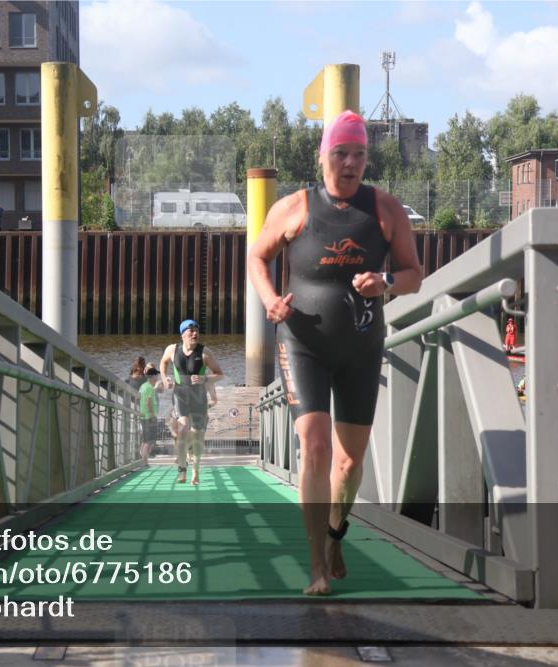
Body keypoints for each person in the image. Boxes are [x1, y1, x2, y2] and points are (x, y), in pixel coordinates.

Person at [247, 110, 423, 595]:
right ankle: (316, 565)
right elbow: (257, 256)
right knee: (317, 448)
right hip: (303, 344)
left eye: (359, 154)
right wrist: (268, 300)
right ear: (324, 155)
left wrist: (385, 282)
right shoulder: (293, 208)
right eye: (341, 152)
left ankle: (336, 534)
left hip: (361, 349)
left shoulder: (386, 210)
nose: (350, 163)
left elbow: (414, 274)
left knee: (349, 464)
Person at [159, 319, 223, 485]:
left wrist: (205, 377)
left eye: (197, 331)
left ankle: (195, 470)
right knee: (182, 430)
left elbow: (219, 374)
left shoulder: (205, 352)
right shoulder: (172, 349)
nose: (195, 333)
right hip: (180, 395)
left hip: (199, 398)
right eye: (191, 331)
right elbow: (163, 363)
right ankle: (182, 470)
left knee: (197, 436)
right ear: (183, 334)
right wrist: (164, 378)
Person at [138, 367, 161, 466]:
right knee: (149, 440)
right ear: (153, 376)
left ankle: (142, 459)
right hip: (148, 417)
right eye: (157, 375)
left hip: (143, 415)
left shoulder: (143, 386)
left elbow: (139, 398)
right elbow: (148, 402)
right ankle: (145, 462)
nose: (158, 376)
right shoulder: (150, 388)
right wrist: (153, 416)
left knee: (145, 440)